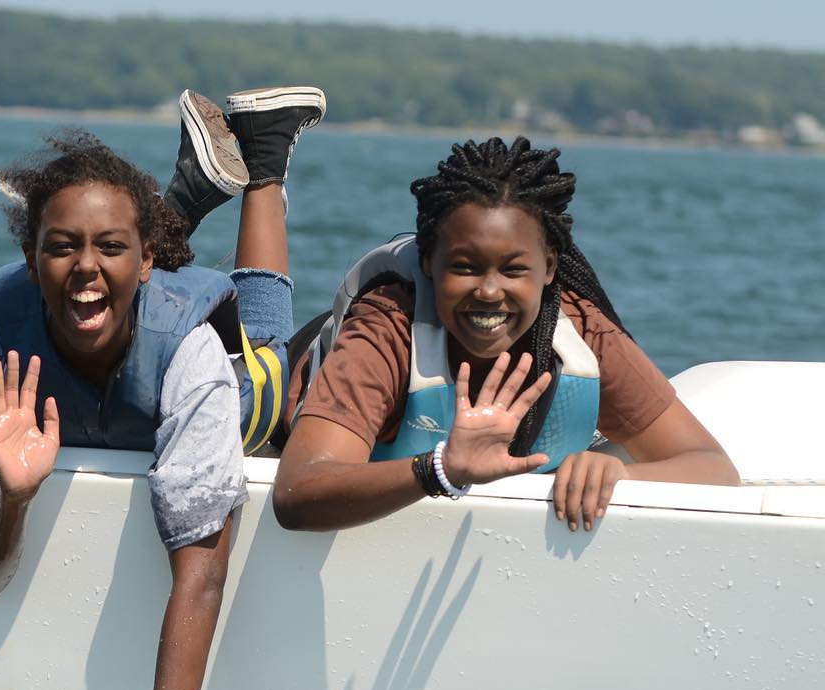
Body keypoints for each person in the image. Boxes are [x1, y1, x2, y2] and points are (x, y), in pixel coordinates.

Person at [0, 86, 326, 690]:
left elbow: (203, 575)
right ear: (30, 256)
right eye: (61, 247)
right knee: (95, 293)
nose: (82, 267)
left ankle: (267, 157)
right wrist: (16, 499)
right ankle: (191, 190)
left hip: (211, 393)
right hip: (94, 394)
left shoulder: (191, 356)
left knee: (269, 359)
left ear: (148, 259)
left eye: (111, 247)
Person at [274, 136, 738, 532]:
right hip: (278, 398)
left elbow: (712, 467)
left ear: (550, 268)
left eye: (514, 270)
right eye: (464, 267)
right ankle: (265, 173)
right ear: (430, 265)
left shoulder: (582, 334)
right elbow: (297, 491)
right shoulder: (389, 327)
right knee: (257, 357)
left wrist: (618, 474)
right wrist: (439, 470)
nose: (490, 291)